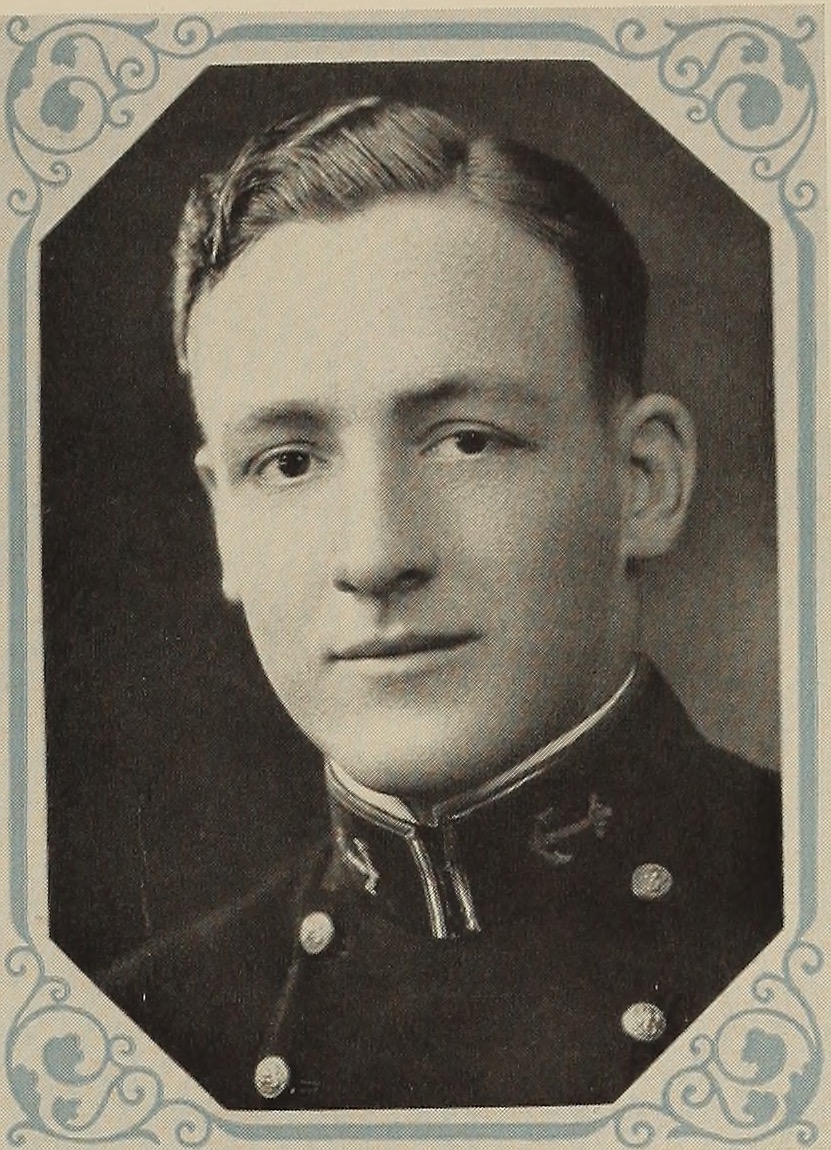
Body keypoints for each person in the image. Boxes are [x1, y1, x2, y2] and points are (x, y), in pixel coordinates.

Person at [101, 97, 782, 1110]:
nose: (375, 556)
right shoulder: (133, 1036)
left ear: (644, 483)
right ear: (224, 522)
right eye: (287, 461)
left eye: (466, 440)